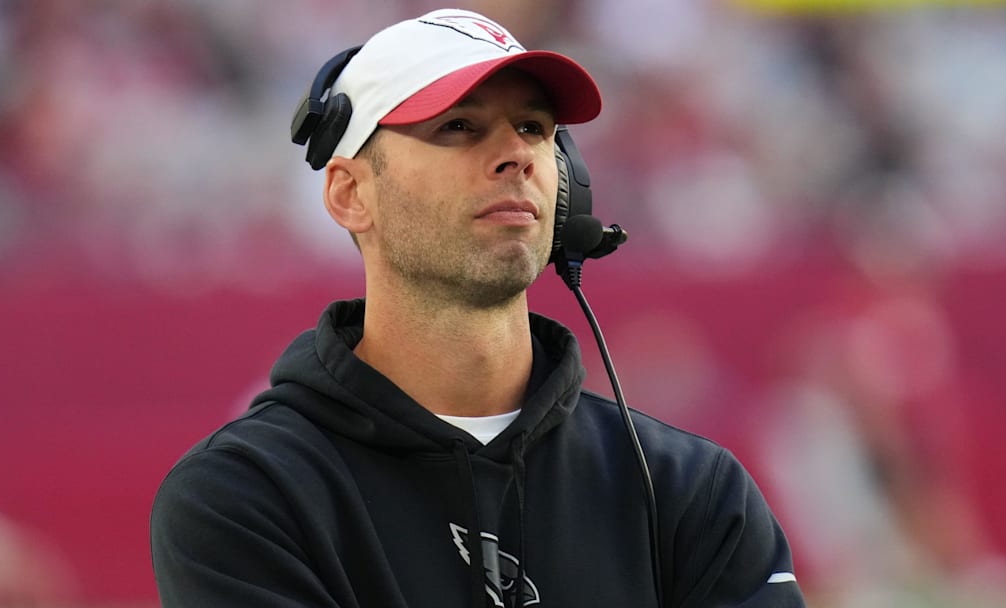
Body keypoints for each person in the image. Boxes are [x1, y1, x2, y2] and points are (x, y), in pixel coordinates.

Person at [150, 9, 806, 607]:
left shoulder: (694, 491)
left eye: (533, 127)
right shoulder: (245, 495)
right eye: (459, 125)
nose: (517, 155)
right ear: (351, 193)